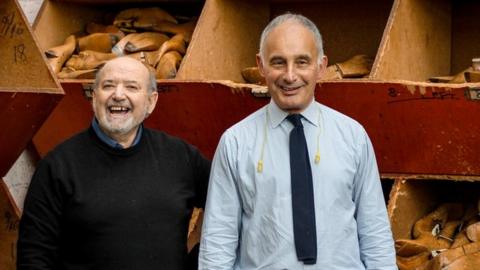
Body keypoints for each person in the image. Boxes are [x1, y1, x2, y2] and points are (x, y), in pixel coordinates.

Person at [199, 13, 397, 269]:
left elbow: (374, 233)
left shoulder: (352, 136)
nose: (290, 76)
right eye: (278, 62)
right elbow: (218, 240)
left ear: (321, 66)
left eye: (302, 62)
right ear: (261, 66)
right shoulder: (236, 142)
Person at [17, 57, 210, 269]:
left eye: (131, 87)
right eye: (108, 86)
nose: (118, 95)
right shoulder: (58, 166)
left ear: (151, 102)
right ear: (93, 96)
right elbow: (34, 256)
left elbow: (233, 209)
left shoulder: (181, 157)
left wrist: (197, 264)